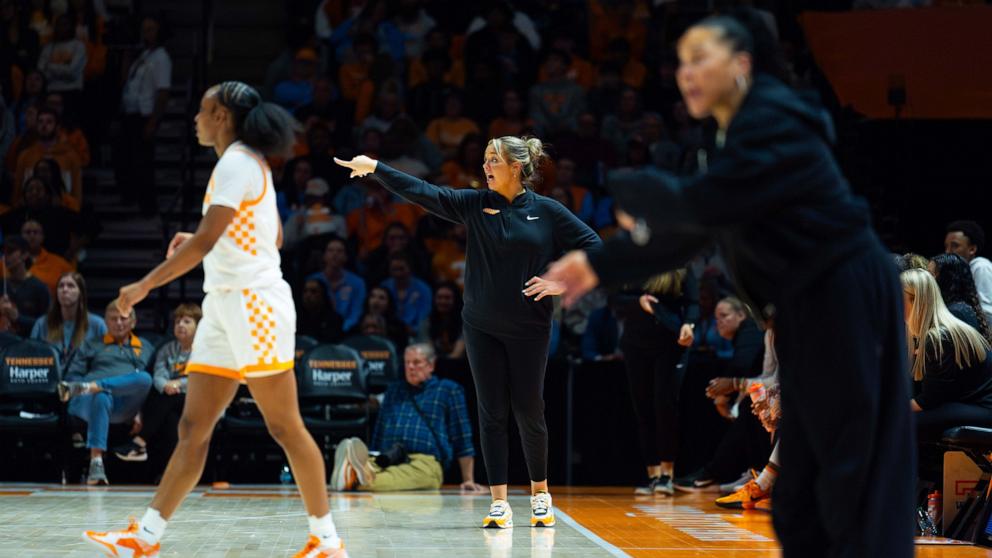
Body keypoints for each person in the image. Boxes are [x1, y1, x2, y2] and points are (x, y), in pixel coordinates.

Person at [543, 11, 914, 557]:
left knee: (848, 477)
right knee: (800, 499)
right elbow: (693, 230)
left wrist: (631, 189)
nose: (684, 74)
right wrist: (597, 266)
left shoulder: (776, 118)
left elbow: (702, 206)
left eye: (700, 59)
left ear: (742, 65)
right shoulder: (729, 134)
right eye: (680, 63)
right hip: (805, 307)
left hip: (844, 296)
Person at [79, 81, 347, 557]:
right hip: (224, 306)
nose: (196, 119)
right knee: (192, 428)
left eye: (203, 111)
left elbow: (211, 244)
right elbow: (273, 234)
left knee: (285, 425)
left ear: (222, 116)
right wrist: (209, 234)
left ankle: (327, 541)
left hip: (255, 304)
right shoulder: (245, 164)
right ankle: (145, 538)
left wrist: (143, 286)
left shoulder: (239, 162)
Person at [336, 133, 601, 529]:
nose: (485, 166)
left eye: (493, 159)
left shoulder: (546, 211)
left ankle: (540, 494)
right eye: (484, 159)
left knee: (529, 410)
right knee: (491, 412)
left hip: (530, 327)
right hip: (481, 326)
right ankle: (498, 502)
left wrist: (561, 285)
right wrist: (376, 168)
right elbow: (423, 192)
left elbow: (595, 246)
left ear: (516, 167)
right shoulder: (475, 204)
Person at [331, 343, 483, 493]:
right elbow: (379, 430)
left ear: (431, 365)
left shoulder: (448, 390)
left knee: (390, 479)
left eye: (416, 362)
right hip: (388, 457)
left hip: (424, 463)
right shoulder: (394, 390)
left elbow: (462, 437)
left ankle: (352, 477)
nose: (410, 367)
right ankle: (356, 472)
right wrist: (373, 456)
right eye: (407, 362)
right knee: (373, 469)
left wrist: (468, 479)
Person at [617, 269, 698, 495]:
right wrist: (639, 301)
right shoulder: (632, 260)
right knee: (642, 407)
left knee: (665, 405)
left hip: (669, 342)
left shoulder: (681, 265)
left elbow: (693, 302)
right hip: (635, 344)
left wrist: (689, 324)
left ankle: (667, 474)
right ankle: (652, 474)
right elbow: (614, 299)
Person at [58, 302, 153, 485]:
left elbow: (150, 387)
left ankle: (95, 385)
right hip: (88, 400)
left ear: (133, 322)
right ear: (106, 322)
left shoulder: (145, 347)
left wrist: (142, 411)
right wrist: (81, 389)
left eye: (123, 318)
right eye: (113, 318)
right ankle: (96, 463)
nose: (118, 323)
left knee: (145, 378)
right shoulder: (91, 344)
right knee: (101, 396)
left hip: (124, 406)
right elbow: (73, 376)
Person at [902, 269, 992, 441]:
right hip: (969, 403)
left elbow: (929, 400)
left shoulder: (938, 337)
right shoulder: (935, 330)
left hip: (984, 407)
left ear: (916, 300)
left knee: (904, 423)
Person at [113, 304, 201, 477]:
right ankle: (173, 474)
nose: (180, 325)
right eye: (177, 322)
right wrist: (166, 385)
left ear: (198, 327)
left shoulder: (204, 351)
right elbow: (159, 376)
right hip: (173, 400)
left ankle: (139, 443)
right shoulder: (167, 349)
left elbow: (200, 381)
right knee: (169, 417)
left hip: (198, 401)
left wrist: (177, 384)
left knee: (165, 402)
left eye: (187, 321)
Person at [116, 14, 171, 215]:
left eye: (150, 29)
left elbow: (163, 91)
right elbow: (125, 82)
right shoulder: (142, 55)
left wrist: (153, 121)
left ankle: (148, 205)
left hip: (145, 114)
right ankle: (131, 198)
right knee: (127, 158)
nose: (145, 34)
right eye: (144, 29)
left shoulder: (161, 57)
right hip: (130, 111)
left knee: (143, 162)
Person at [30, 271, 105, 362]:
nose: (65, 290)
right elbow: (32, 358)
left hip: (85, 375)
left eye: (71, 286)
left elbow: (106, 359)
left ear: (80, 293)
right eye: (61, 286)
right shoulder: (42, 324)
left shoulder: (97, 324)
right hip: (51, 374)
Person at [306, 236, 366, 333]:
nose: (335, 254)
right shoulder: (312, 281)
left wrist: (341, 329)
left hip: (347, 332)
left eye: (339, 251)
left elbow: (356, 312)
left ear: (346, 257)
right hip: (317, 331)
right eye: (330, 250)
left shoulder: (358, 283)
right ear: (324, 256)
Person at [929, 252, 992, 341]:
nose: (926, 280)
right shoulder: (961, 308)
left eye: (931, 275)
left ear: (947, 280)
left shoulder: (956, 313)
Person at [0, 235, 51, 334]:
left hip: (29, 346)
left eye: (10, 252)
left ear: (25, 255)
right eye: (4, 252)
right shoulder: (1, 284)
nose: (5, 257)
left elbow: (46, 326)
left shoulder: (40, 288)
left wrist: (18, 318)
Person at [944, 220, 992, 324]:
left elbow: (987, 312)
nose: (948, 251)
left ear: (972, 249)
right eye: (946, 246)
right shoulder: (956, 273)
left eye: (955, 246)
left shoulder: (980, 267)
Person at [21, 218, 73, 294]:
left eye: (36, 232)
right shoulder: (8, 263)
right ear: (21, 236)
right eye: (28, 232)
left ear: (42, 237)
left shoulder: (60, 264)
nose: (32, 236)